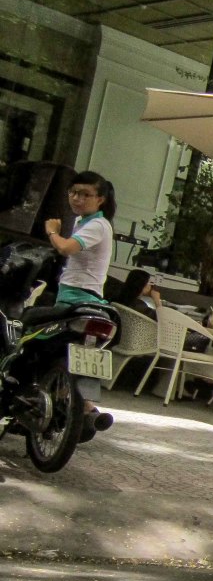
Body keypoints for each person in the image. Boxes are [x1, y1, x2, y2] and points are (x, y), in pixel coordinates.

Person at [44, 171, 116, 440]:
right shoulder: (84, 221)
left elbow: (66, 248)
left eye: (85, 194)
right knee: (69, 356)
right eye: (73, 192)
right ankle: (87, 408)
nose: (77, 198)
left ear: (100, 199)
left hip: (77, 298)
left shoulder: (97, 225)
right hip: (86, 298)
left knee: (37, 342)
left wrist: (52, 232)